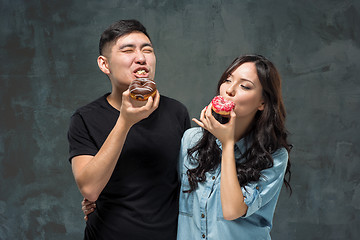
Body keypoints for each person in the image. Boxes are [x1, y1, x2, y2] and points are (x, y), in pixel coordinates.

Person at [67, 19, 190, 240]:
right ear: (105, 65)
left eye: (147, 50)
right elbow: (90, 189)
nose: (141, 58)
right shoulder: (85, 118)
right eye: (127, 50)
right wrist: (125, 121)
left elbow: (189, 182)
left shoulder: (177, 112)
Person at [177, 54, 292, 239]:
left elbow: (232, 211)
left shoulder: (275, 156)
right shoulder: (192, 140)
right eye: (227, 80)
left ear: (262, 102)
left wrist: (227, 143)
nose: (229, 90)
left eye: (244, 86)